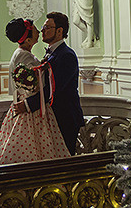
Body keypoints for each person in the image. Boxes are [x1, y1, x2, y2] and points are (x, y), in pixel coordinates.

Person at [0, 18, 71, 166]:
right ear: (28, 39)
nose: (40, 31)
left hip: (32, 106)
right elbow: (33, 86)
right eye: (36, 29)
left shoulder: (24, 54)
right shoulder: (23, 55)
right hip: (30, 111)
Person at [15, 12, 84, 155]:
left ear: (59, 31)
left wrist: (27, 105)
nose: (42, 31)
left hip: (65, 117)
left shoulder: (66, 55)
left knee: (64, 161)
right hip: (54, 117)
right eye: (43, 27)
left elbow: (54, 89)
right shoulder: (52, 53)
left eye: (47, 27)